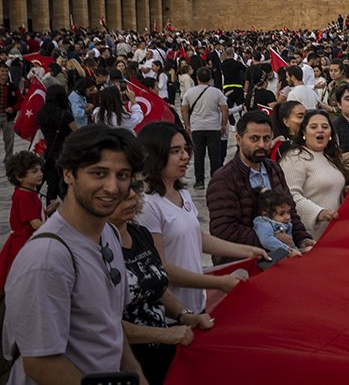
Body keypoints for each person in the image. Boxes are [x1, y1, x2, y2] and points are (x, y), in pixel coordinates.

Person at [1, 124, 148, 383]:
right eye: (99, 173)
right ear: (69, 174)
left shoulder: (109, 234)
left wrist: (136, 374)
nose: (113, 187)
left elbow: (111, 325)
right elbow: (41, 363)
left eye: (123, 175)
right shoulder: (47, 259)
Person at [137, 122, 262, 316]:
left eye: (186, 149)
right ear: (154, 154)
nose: (185, 157)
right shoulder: (147, 205)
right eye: (175, 151)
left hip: (195, 304)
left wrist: (247, 251)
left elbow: (197, 237)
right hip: (171, 313)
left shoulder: (181, 191)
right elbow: (161, 268)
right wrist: (219, 283)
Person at [112, 176, 213, 385]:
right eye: (122, 194)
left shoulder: (140, 233)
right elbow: (105, 322)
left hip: (161, 354)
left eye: (133, 190)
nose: (131, 196)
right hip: (125, 362)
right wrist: (162, 334)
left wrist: (184, 314)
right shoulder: (99, 248)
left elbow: (156, 285)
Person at [206, 110, 314, 260]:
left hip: (279, 260)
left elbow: (290, 211)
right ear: (239, 139)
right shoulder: (224, 179)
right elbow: (225, 231)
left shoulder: (274, 169)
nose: (261, 145)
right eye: (254, 139)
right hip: (241, 263)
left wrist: (302, 238)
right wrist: (273, 240)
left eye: (267, 138)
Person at [279, 110, 349, 241]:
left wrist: (344, 192)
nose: (320, 130)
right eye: (313, 127)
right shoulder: (295, 157)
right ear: (304, 133)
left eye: (325, 127)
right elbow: (290, 195)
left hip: (335, 233)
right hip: (308, 238)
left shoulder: (329, 157)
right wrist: (319, 213)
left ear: (330, 134)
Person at [0, 152, 48, 290]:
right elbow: (36, 224)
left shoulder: (27, 191)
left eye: (40, 170)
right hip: (24, 243)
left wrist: (48, 211)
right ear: (20, 176)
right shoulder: (24, 196)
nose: (40, 174)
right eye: (34, 171)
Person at [180, 67, 228, 191]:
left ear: (197, 78)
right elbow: (224, 109)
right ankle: (216, 180)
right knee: (215, 155)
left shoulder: (190, 92)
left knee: (199, 155)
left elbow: (184, 109)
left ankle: (199, 180)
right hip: (213, 127)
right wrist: (223, 124)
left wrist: (187, 124)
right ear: (210, 78)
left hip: (197, 127)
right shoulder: (216, 92)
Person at [36, 84, 77, 204]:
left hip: (49, 154)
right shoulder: (65, 115)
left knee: (52, 186)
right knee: (66, 185)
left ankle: (51, 212)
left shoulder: (41, 114)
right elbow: (77, 133)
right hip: (65, 154)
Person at [252, 188, 303, 259]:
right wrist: (288, 250)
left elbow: (290, 242)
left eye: (288, 212)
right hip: (271, 258)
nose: (287, 217)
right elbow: (266, 240)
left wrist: (298, 250)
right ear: (266, 214)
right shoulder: (263, 222)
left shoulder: (286, 223)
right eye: (282, 214)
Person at [0, 61, 18, 159]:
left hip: (8, 117)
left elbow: (21, 101)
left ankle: (9, 158)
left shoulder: (13, 87)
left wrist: (13, 108)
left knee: (9, 138)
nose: (4, 74)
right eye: (2, 71)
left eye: (6, 72)